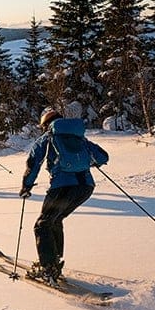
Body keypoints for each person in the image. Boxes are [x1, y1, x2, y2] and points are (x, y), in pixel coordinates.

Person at [19, 108, 109, 285]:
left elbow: (34, 162)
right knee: (55, 219)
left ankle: (48, 268)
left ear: (46, 124)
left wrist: (26, 185)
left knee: (42, 224)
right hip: (85, 187)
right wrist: (88, 161)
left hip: (62, 187)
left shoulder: (48, 137)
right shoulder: (79, 138)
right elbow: (103, 157)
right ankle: (54, 260)